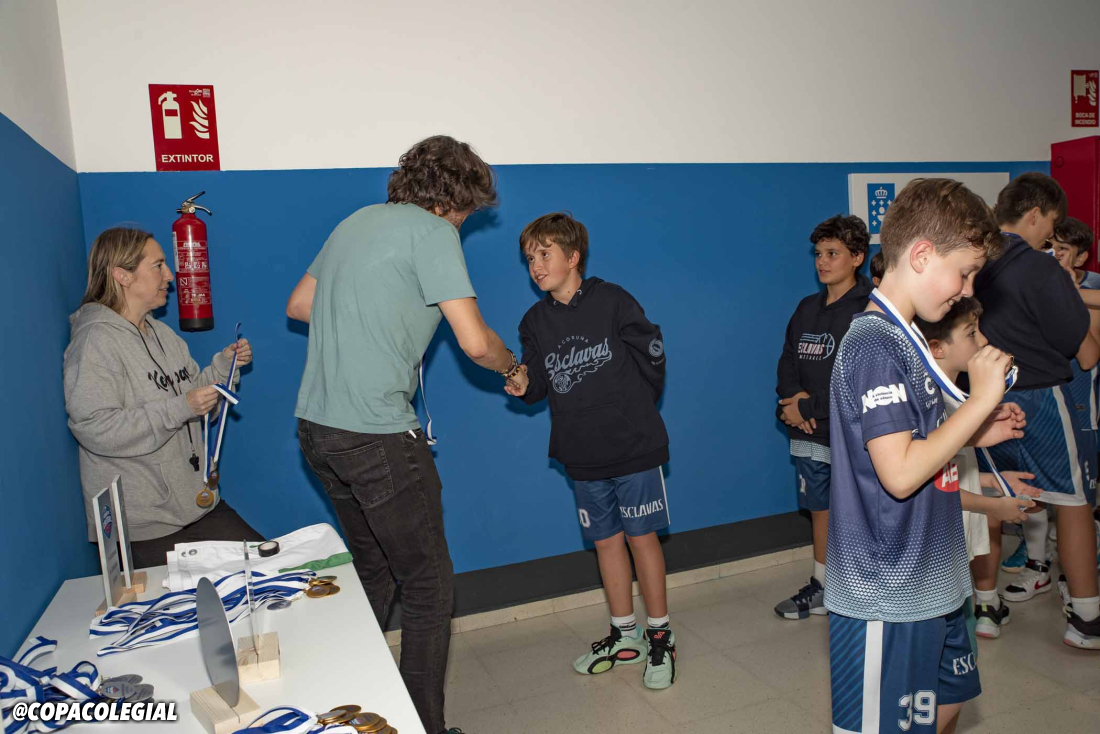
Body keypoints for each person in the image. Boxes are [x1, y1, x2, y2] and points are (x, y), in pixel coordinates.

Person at [287, 135, 517, 734]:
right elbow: (475, 343)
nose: (465, 222)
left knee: (373, 571)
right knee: (429, 587)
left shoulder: (355, 222)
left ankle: (345, 712)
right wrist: (512, 367)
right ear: (453, 199)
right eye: (467, 211)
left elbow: (301, 304)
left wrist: (372, 311)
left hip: (317, 429)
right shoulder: (434, 232)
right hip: (376, 435)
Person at [826, 178, 1021, 733]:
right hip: (888, 590)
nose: (967, 289)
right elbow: (900, 473)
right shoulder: (873, 344)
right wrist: (979, 400)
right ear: (921, 255)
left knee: (946, 706)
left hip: (935, 578)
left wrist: (974, 431)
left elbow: (915, 438)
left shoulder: (905, 335)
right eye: (964, 272)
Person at [504, 212, 676, 689]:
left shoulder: (613, 300)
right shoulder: (534, 322)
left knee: (642, 539)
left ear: (573, 256)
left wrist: (629, 410)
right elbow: (539, 382)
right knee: (605, 542)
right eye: (529, 259)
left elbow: (652, 358)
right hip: (581, 453)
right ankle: (626, 634)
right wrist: (522, 382)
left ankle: (660, 636)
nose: (536, 266)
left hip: (633, 446)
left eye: (545, 254)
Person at [64, 227, 259, 569]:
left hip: (196, 506)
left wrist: (222, 368)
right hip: (143, 527)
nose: (170, 275)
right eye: (158, 265)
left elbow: (195, 405)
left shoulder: (161, 333)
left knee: (267, 569)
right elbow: (94, 428)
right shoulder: (95, 341)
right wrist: (182, 407)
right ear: (122, 276)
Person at [973, 173, 1100, 649]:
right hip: (1039, 395)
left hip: (981, 398)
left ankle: (986, 605)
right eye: (1050, 222)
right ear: (1033, 215)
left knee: (989, 498)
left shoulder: (972, 257)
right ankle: (1086, 617)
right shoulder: (1041, 268)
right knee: (1072, 502)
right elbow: (1080, 348)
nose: (1051, 234)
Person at [914, 298, 1040, 643]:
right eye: (971, 333)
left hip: (955, 553)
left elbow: (950, 472)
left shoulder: (957, 403)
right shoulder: (932, 407)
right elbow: (930, 487)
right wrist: (994, 506)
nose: (983, 340)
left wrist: (992, 481)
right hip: (935, 553)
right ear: (937, 348)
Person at [773, 215, 871, 619]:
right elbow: (788, 361)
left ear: (858, 257)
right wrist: (792, 403)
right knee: (820, 508)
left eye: (833, 253)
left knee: (859, 510)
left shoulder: (869, 309)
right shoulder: (806, 308)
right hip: (809, 431)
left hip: (852, 434)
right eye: (818, 253)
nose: (822, 262)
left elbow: (860, 381)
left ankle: (863, 586)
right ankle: (824, 586)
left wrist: (807, 408)